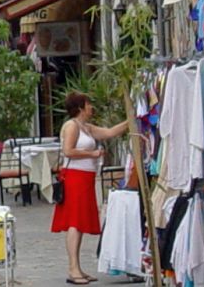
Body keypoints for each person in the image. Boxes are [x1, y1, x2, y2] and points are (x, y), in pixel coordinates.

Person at [51, 92, 127, 284]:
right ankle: (72, 268)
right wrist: (92, 154)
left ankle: (77, 267)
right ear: (80, 107)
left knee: (80, 222)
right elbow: (68, 150)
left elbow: (109, 132)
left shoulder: (86, 127)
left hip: (85, 178)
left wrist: (130, 121)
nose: (91, 107)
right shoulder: (72, 126)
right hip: (75, 177)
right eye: (88, 104)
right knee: (74, 223)